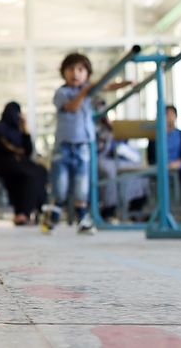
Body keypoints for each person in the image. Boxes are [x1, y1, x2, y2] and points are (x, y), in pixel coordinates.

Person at [41, 52, 129, 235]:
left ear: (87, 73)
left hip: (83, 146)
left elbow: (107, 86)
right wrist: (85, 91)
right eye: (71, 69)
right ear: (63, 73)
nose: (75, 73)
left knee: (82, 185)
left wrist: (125, 84)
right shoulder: (61, 93)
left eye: (80, 69)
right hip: (63, 147)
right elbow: (72, 107)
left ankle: (83, 219)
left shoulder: (88, 91)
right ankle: (53, 217)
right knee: (61, 186)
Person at [0, 102, 47, 226]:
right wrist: (16, 151)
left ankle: (35, 210)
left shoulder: (19, 129)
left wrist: (25, 129)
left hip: (18, 164)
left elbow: (28, 151)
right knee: (28, 175)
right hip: (1, 163)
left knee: (40, 171)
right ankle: (23, 213)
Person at [146, 105, 181, 211]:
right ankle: (161, 209)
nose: (169, 117)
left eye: (171, 114)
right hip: (160, 166)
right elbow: (151, 157)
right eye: (166, 114)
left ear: (175, 116)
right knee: (158, 178)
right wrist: (163, 164)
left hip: (177, 165)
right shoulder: (154, 135)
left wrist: (177, 163)